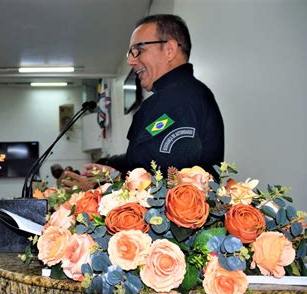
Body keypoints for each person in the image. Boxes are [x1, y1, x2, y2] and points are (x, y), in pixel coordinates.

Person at [63, 14, 224, 190]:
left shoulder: (181, 99)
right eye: (130, 53)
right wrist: (113, 173)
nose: (131, 61)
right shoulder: (175, 98)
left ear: (169, 50)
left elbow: (166, 186)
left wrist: (106, 186)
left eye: (138, 50)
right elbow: (146, 161)